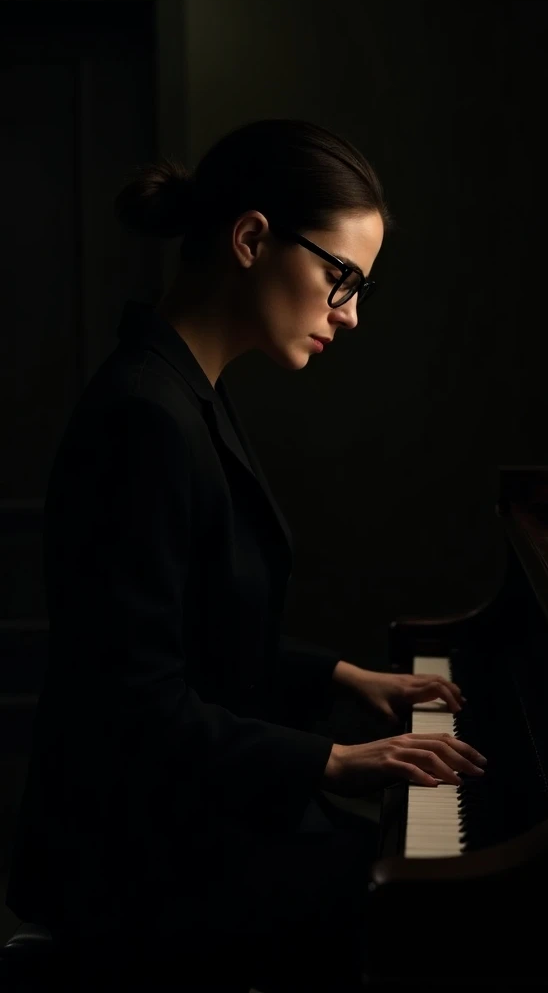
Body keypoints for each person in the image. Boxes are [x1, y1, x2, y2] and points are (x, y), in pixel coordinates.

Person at [5, 119, 486, 992]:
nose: (350, 313)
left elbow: (198, 636)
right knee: (419, 907)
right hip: (138, 860)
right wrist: (334, 761)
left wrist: (342, 676)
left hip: (182, 818)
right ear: (251, 238)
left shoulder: (191, 393)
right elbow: (136, 707)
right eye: (341, 278)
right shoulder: (144, 417)